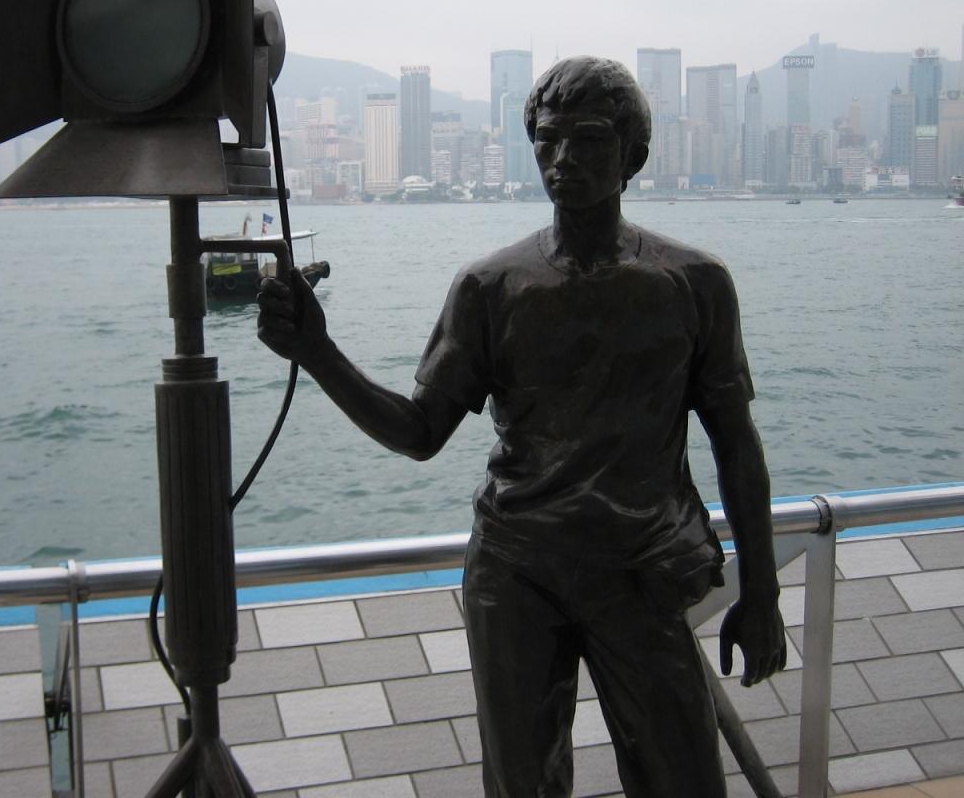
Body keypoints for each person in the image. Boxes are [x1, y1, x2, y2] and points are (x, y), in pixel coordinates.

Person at [257, 56, 786, 798]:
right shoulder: (491, 287)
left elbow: (737, 445)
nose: (563, 159)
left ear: (634, 156)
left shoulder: (695, 284)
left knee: (685, 778)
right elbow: (420, 432)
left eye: (589, 139)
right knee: (521, 786)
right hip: (517, 574)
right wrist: (318, 352)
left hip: (642, 571)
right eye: (547, 140)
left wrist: (762, 594)